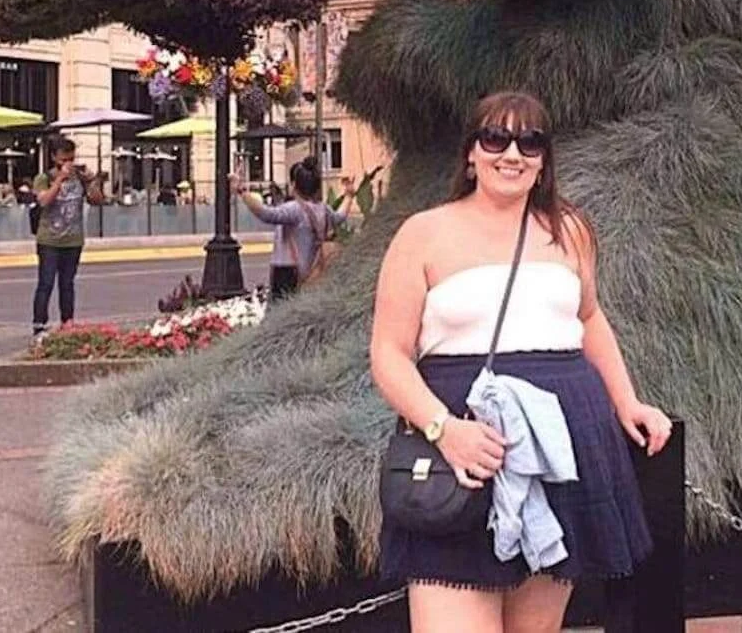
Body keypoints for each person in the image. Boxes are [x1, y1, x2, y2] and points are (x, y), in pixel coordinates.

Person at [370, 91, 672, 632]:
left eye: (530, 142)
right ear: (471, 153)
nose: (512, 153)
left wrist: (627, 401)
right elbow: (388, 354)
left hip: (559, 448)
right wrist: (444, 430)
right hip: (467, 451)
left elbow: (589, 318)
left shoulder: (570, 230)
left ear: (543, 159)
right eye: (496, 138)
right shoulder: (423, 234)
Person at [231, 157, 355, 300]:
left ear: (294, 185)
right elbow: (339, 217)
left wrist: (242, 191)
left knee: (282, 311)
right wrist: (349, 196)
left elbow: (265, 214)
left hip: (287, 272)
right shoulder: (323, 209)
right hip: (313, 272)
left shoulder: (293, 210)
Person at [31, 136, 104, 335]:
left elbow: (97, 200)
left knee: (67, 284)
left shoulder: (79, 178)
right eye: (64, 159)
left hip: (73, 240)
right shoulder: (44, 178)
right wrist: (60, 179)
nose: (68, 164)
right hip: (49, 240)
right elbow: (44, 201)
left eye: (71, 159)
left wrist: (92, 181)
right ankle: (39, 327)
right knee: (45, 284)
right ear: (54, 157)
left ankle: (67, 324)